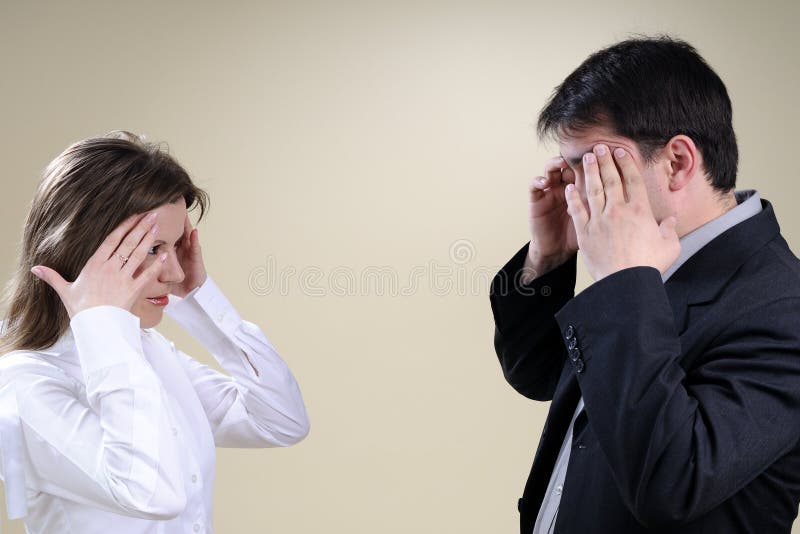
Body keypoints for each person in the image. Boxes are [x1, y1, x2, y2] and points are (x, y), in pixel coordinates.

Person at [489, 36, 800, 533]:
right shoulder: (639, 255)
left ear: (677, 162)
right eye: (571, 166)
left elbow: (672, 483)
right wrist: (547, 258)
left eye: (593, 164)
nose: (575, 189)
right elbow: (538, 372)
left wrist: (624, 281)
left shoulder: (783, 306)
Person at [0, 131, 310, 533]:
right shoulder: (23, 385)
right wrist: (102, 320)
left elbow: (281, 420)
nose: (176, 272)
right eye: (152, 248)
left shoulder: (146, 353)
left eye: (178, 245)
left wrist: (199, 298)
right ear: (84, 247)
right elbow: (149, 494)